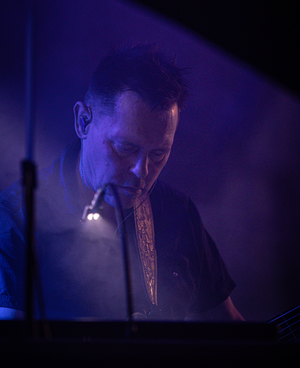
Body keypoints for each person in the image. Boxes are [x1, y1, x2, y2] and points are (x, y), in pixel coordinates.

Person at [0, 44, 243, 321]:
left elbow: (228, 330)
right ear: (83, 121)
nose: (142, 171)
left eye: (159, 153)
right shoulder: (15, 218)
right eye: (125, 148)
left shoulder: (178, 212)